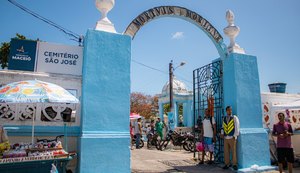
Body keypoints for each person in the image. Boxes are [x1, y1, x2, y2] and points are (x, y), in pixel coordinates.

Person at [221, 106, 240, 170]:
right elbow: (223, 127)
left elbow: (237, 127)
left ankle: (234, 164)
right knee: (226, 152)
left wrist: (235, 136)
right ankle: (227, 164)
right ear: (226, 111)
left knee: (233, 151)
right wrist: (222, 133)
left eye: (230, 110)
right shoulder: (224, 118)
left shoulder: (234, 118)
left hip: (232, 137)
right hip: (226, 137)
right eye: (228, 110)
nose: (230, 111)